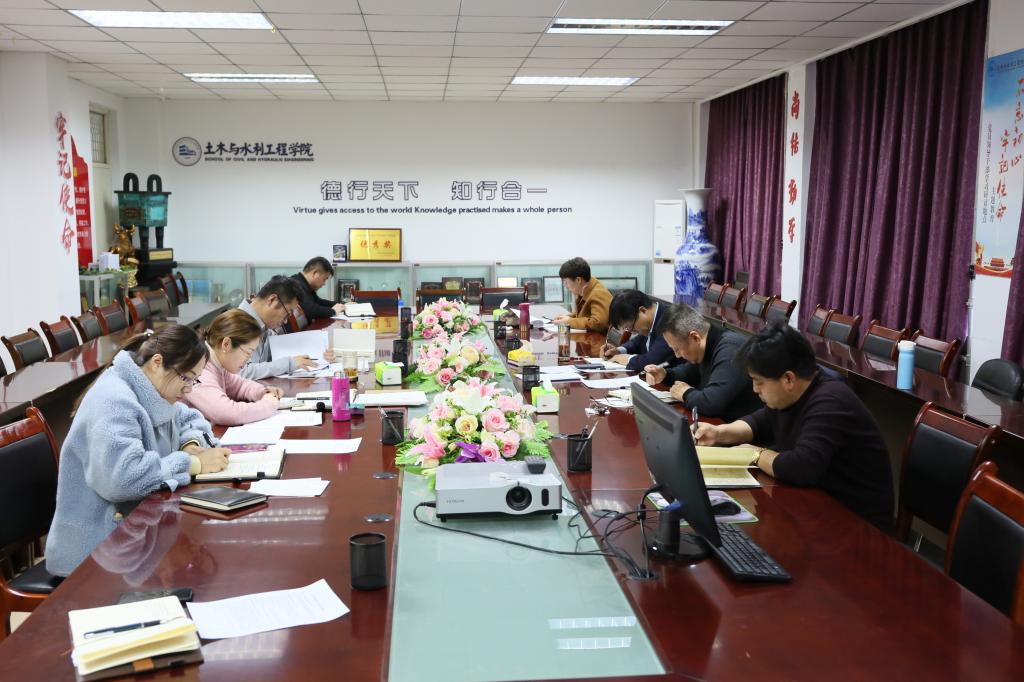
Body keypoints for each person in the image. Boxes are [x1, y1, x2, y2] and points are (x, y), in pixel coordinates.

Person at [45, 325, 230, 577]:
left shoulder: (155, 391)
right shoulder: (114, 401)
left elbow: (189, 419)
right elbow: (123, 479)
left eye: (194, 380)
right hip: (97, 553)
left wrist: (191, 446)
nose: (188, 390)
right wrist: (191, 464)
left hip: (134, 537)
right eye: (186, 378)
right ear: (157, 363)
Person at [693, 323, 894, 530]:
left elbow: (800, 467)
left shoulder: (831, 402)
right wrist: (719, 433)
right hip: (816, 507)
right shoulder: (796, 392)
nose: (755, 389)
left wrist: (755, 454)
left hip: (857, 525)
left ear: (788, 378)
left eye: (758, 382)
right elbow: (760, 422)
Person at [642, 303, 761, 422]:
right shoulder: (706, 344)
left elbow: (711, 403)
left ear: (695, 337)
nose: (677, 355)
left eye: (677, 349)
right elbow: (688, 373)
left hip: (742, 428)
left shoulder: (731, 349)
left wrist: (685, 393)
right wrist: (664, 375)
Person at [182, 309, 283, 426]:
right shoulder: (199, 368)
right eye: (248, 352)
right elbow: (226, 413)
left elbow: (239, 385)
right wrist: (269, 404)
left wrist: (263, 392)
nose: (249, 359)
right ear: (226, 344)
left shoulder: (217, 364)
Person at [238, 275, 320, 379]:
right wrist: (289, 363)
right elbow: (242, 373)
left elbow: (280, 351)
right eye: (287, 313)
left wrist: (320, 353)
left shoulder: (263, 325)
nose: (285, 321)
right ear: (272, 300)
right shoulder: (237, 324)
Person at [602, 290, 674, 371]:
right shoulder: (651, 321)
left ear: (642, 311)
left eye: (631, 327)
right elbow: (638, 341)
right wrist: (619, 350)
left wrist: (627, 359)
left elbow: (653, 362)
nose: (631, 332)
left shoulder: (670, 321)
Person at [550, 257, 612, 333]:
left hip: (600, 339)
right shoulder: (586, 289)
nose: (565, 285)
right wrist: (567, 317)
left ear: (578, 280)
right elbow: (584, 315)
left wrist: (568, 321)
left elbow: (598, 323)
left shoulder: (598, 293)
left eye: (566, 282)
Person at [289, 256, 346, 320]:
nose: (324, 284)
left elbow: (319, 302)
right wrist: (333, 311)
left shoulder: (303, 283)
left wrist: (342, 305)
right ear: (315, 273)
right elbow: (311, 311)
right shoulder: (296, 285)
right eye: (324, 279)